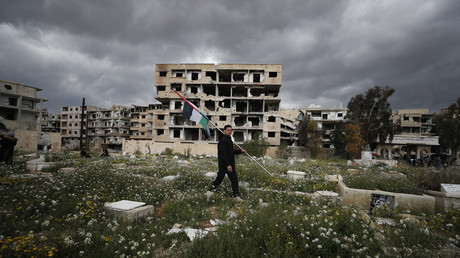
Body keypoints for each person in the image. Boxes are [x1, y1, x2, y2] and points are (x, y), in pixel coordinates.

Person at [207, 125, 246, 202]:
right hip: (224, 165)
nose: (230, 131)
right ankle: (209, 192)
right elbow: (223, 154)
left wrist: (240, 152)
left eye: (231, 130)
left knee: (234, 180)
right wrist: (228, 165)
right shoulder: (222, 141)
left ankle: (236, 197)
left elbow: (231, 152)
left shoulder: (229, 140)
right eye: (228, 130)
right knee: (219, 179)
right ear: (224, 131)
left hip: (230, 165)